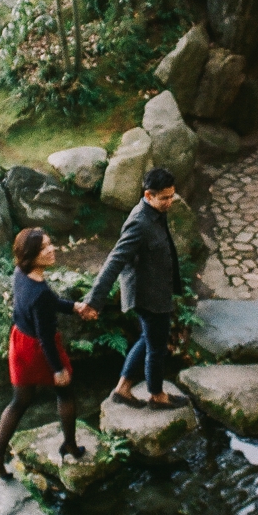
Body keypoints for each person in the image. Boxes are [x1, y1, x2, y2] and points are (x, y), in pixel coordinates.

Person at [0, 227, 97, 479]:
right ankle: (69, 444)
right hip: (39, 348)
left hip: (20, 342)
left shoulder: (21, 273)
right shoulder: (41, 293)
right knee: (66, 392)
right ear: (32, 256)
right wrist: (58, 370)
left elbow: (48, 304)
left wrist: (75, 307)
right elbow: (46, 337)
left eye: (50, 243)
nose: (52, 249)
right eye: (44, 248)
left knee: (19, 402)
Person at [84, 166, 189, 410]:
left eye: (172, 195)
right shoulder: (139, 223)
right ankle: (157, 395)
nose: (170, 202)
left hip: (156, 288)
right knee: (157, 346)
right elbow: (115, 260)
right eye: (164, 198)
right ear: (148, 195)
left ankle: (123, 388)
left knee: (147, 338)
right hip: (148, 295)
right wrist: (94, 300)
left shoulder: (155, 211)